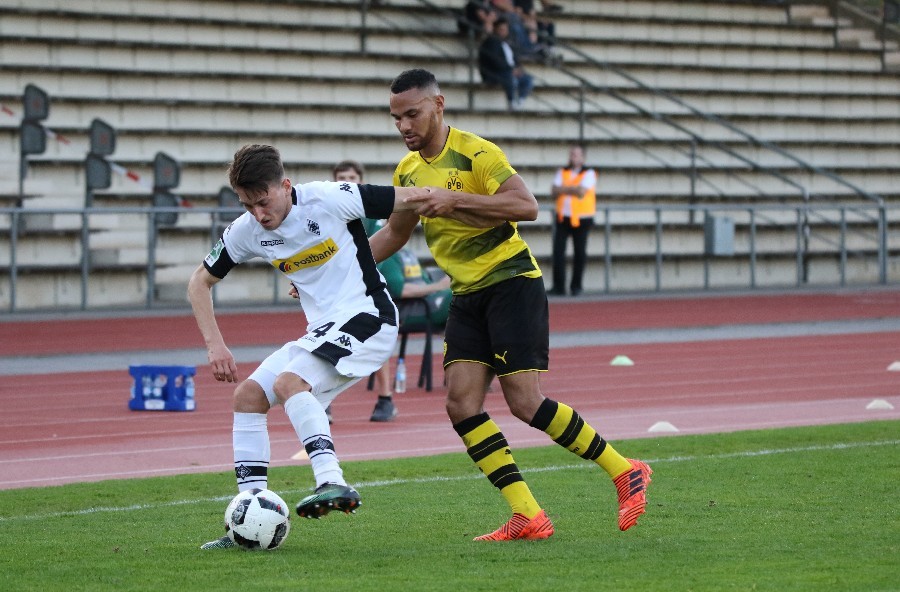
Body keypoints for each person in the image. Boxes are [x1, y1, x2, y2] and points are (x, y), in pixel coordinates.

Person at [370, 68, 652, 541]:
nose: (404, 126)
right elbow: (395, 234)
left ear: (438, 105)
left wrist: (455, 200)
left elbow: (527, 206)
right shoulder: (407, 172)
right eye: (396, 118)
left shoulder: (477, 153)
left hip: (511, 282)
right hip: (466, 295)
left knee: (524, 401)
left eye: (412, 114)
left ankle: (625, 470)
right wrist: (337, 267)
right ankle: (528, 515)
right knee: (461, 404)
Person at [187, 143, 430, 549]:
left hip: (370, 315)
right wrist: (216, 346)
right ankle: (248, 516)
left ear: (285, 186)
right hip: (322, 328)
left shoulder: (328, 198)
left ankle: (331, 481)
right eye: (247, 205)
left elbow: (411, 198)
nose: (258, 214)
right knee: (248, 397)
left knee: (289, 382)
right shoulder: (247, 231)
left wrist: (470, 202)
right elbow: (199, 281)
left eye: (263, 202)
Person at [332, 159, 451, 422]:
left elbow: (381, 246)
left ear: (360, 181)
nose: (346, 183)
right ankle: (324, 401)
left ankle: (385, 398)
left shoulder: (372, 217)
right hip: (330, 289)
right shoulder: (328, 215)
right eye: (341, 178)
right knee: (326, 341)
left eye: (351, 178)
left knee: (375, 337)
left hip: (365, 287)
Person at [549, 144, 597, 296]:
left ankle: (576, 286)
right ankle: (559, 286)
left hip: (582, 219)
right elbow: (554, 191)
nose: (573, 157)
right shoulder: (562, 171)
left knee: (579, 253)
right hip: (563, 217)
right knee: (558, 252)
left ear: (583, 157)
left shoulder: (589, 173)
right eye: (571, 154)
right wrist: (573, 189)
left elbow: (581, 192)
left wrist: (563, 189)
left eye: (576, 154)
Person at [478, 16, 534, 110]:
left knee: (527, 79)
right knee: (510, 77)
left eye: (505, 29)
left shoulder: (507, 42)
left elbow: (514, 60)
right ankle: (511, 102)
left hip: (508, 72)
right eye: (501, 29)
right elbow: (495, 62)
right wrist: (511, 70)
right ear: (495, 29)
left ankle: (520, 102)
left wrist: (519, 69)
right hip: (494, 73)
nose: (503, 32)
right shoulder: (491, 42)